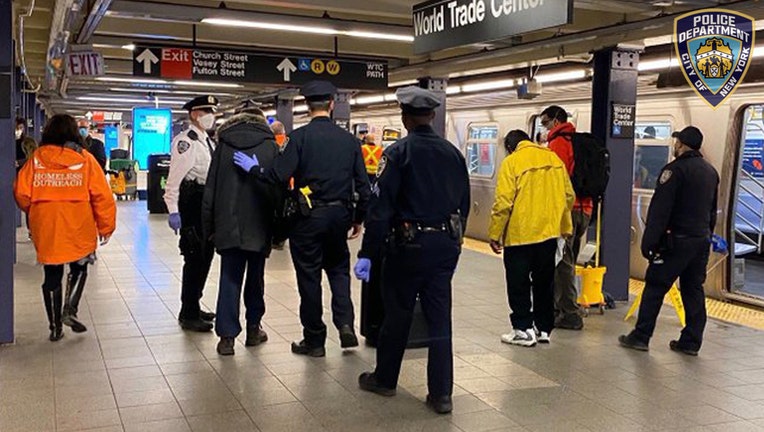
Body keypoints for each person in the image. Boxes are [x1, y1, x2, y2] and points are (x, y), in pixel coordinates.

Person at [354, 86, 470, 415]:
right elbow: (464, 205)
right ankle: (442, 395)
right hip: (445, 246)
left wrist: (367, 254)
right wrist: (454, 245)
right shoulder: (453, 153)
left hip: (407, 247)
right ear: (432, 116)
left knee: (398, 314)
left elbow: (380, 209)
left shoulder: (398, 153)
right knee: (439, 319)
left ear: (405, 118)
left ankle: (386, 379)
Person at [233, 81, 370, 357]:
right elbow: (363, 186)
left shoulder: (300, 138)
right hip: (339, 217)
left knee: (309, 278)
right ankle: (345, 326)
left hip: (307, 217)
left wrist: (254, 169)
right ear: (332, 105)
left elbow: (278, 176)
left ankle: (315, 340)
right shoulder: (350, 141)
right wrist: (358, 219)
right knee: (339, 272)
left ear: (307, 106)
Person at [14, 114, 116, 341]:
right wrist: (106, 226)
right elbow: (102, 195)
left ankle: (54, 328)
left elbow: (21, 192)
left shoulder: (37, 159)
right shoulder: (86, 159)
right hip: (79, 223)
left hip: (47, 224)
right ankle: (70, 308)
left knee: (51, 273)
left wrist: (35, 210)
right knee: (80, 266)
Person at [619, 126, 719, 356]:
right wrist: (707, 236)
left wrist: (650, 243)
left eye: (677, 142)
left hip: (676, 243)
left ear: (682, 145)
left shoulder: (674, 171)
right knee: (693, 290)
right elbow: (712, 211)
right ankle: (691, 342)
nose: (675, 146)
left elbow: (660, 211)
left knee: (655, 287)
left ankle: (641, 336)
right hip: (700, 241)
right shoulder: (710, 172)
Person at [202, 107, 281, 356]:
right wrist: (278, 231)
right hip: (259, 223)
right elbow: (276, 189)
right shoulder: (270, 146)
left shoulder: (223, 145)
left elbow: (210, 190)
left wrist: (208, 229)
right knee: (256, 278)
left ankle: (226, 338)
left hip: (227, 223)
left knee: (229, 278)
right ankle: (253, 329)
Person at [488, 130, 574, 347]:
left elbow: (503, 203)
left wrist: (495, 233)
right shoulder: (553, 159)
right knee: (544, 282)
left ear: (510, 146)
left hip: (520, 234)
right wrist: (562, 226)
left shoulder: (512, 162)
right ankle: (543, 328)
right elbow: (568, 196)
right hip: (548, 234)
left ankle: (522, 328)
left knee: (518, 282)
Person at [164, 95, 219, 332]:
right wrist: (173, 211)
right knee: (194, 258)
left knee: (206, 257)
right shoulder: (185, 142)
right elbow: (174, 181)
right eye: (206, 111)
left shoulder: (207, 141)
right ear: (195, 114)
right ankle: (188, 313)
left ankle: (194, 305)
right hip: (193, 204)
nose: (211, 115)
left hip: (207, 203)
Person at [540, 105, 590, 330]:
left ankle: (570, 313)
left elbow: (558, 182)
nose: (544, 127)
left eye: (546, 122)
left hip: (567, 210)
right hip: (585, 209)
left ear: (557, 121)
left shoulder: (558, 143)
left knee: (562, 262)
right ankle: (563, 307)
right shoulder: (577, 140)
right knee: (568, 258)